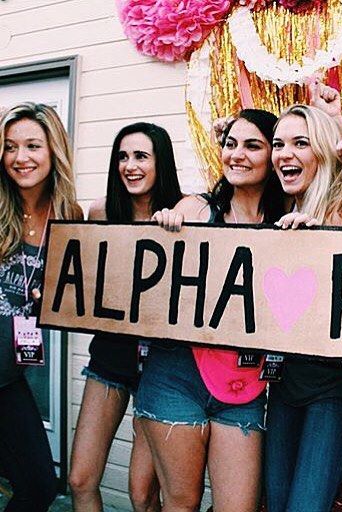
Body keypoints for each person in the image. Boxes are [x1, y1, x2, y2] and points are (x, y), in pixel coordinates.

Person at [137, 108, 285, 512]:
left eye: (252, 146)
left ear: (273, 155)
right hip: (176, 373)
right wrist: (165, 226)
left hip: (244, 382)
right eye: (231, 144)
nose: (237, 154)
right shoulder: (197, 209)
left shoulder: (285, 222)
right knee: (182, 502)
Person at [69, 122, 182, 512]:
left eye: (141, 156)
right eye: (122, 156)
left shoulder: (184, 211)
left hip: (162, 366)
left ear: (160, 162)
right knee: (80, 479)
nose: (130, 166)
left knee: (142, 494)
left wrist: (177, 224)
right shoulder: (101, 211)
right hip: (111, 355)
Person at [265, 102, 342, 512]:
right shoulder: (285, 210)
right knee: (276, 502)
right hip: (285, 386)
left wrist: (321, 241)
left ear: (323, 151)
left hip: (332, 393)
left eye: (300, 143)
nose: (284, 154)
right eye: (278, 144)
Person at [0, 102, 82, 511]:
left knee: (38, 486)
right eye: (10, 146)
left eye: (32, 145)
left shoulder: (69, 216)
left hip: (8, 374)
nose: (20, 157)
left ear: (53, 151)